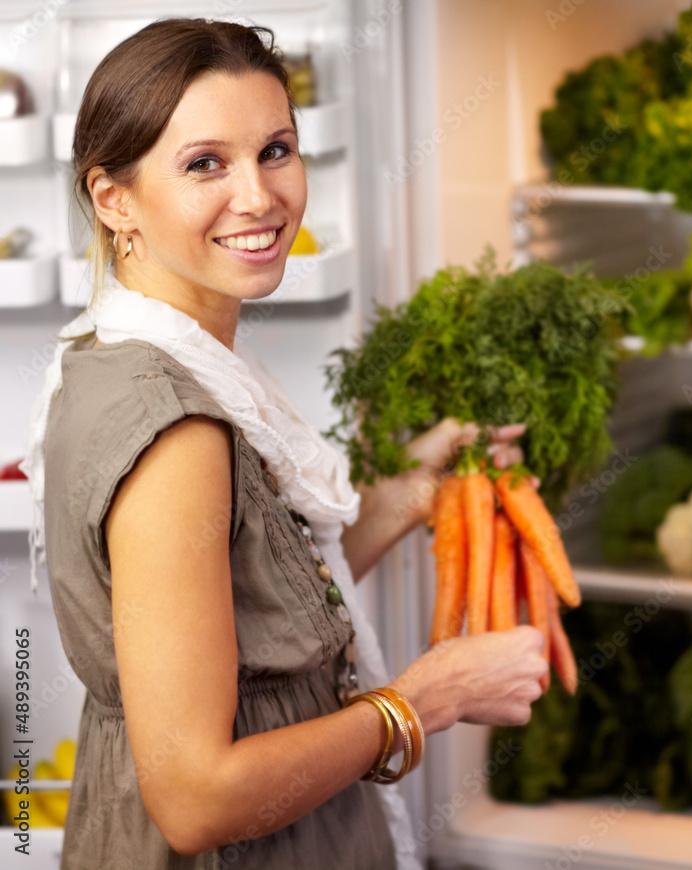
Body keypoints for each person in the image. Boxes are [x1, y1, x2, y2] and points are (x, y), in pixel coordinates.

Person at [21, 17, 547, 870]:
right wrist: (424, 700)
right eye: (204, 164)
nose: (260, 197)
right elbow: (197, 800)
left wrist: (411, 493)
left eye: (275, 149)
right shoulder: (177, 431)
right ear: (114, 198)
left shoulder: (135, 356)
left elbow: (249, 606)